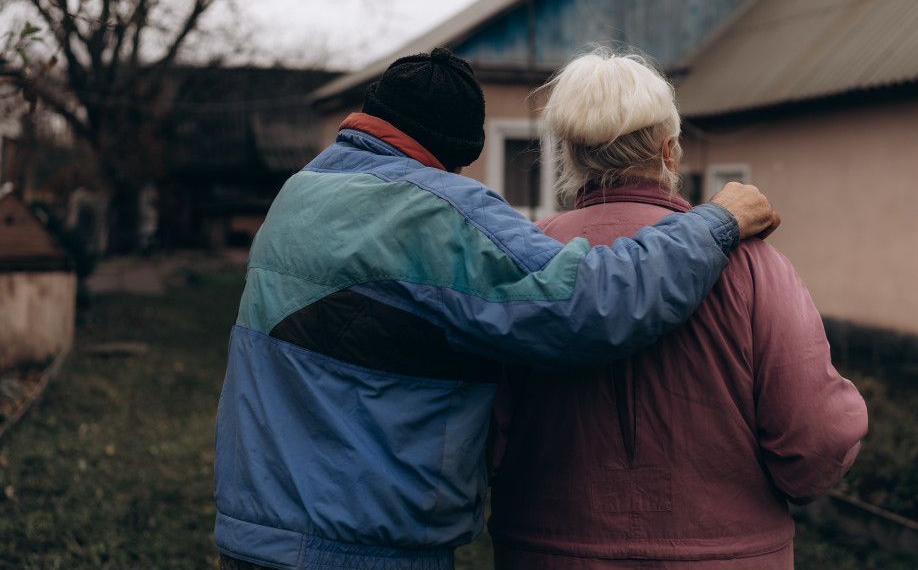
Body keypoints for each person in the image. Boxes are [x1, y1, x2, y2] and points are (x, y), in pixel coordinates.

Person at [212, 47, 780, 570]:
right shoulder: (432, 211)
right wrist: (716, 223)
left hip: (255, 530)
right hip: (359, 542)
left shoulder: (301, 192)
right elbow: (591, 303)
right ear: (460, 154)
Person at [488, 49, 867, 569]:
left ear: (571, 159)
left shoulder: (521, 260)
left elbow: (481, 430)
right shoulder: (754, 263)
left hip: (547, 552)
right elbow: (817, 439)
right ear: (670, 152)